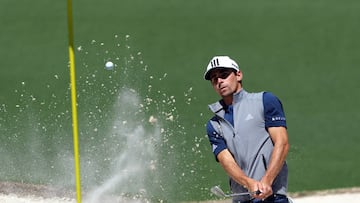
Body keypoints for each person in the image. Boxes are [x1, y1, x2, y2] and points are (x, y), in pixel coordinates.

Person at [204, 56, 290, 203]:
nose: (219, 81)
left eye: (224, 75)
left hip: (273, 197)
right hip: (242, 199)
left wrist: (267, 180)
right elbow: (226, 161)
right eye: (214, 79)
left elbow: (282, 143)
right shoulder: (213, 124)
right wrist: (248, 183)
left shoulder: (265, 101)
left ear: (238, 75)